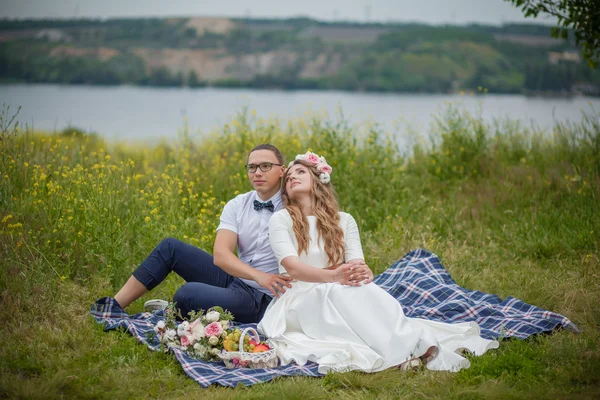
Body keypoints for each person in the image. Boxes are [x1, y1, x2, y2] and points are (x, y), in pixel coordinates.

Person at [257, 151, 499, 373]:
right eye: (288, 177)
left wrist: (362, 273)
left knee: (364, 290)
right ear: (285, 191)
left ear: (318, 180)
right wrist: (334, 276)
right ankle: (405, 352)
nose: (292, 178)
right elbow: (292, 267)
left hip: (336, 284)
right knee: (335, 296)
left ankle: (408, 349)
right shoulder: (281, 219)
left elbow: (356, 262)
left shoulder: (344, 220)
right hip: (299, 296)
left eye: (301, 172)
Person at [113, 144, 293, 323]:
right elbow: (221, 255)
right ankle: (113, 307)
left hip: (262, 298)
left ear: (282, 171)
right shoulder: (238, 204)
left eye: (266, 166)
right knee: (170, 247)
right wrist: (257, 275)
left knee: (186, 294)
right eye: (252, 167)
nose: (258, 172)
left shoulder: (295, 209)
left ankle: (173, 309)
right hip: (239, 280)